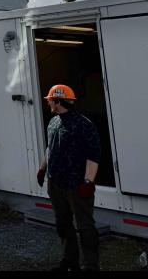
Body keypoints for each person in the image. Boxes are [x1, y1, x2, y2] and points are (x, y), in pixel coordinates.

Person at [36, 84, 102, 272]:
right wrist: (42, 169)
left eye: (50, 99)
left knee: (85, 225)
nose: (48, 102)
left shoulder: (83, 124)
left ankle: (90, 265)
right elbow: (50, 148)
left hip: (77, 185)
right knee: (62, 223)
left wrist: (88, 181)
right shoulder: (53, 122)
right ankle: (70, 261)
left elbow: (93, 155)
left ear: (58, 101)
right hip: (55, 182)